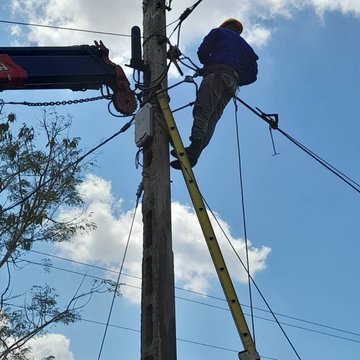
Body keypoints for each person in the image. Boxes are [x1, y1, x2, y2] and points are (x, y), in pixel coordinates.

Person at [170, 18, 259, 169]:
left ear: (224, 26)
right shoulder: (247, 48)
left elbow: (203, 52)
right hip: (232, 84)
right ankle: (195, 153)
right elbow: (253, 75)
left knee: (203, 111)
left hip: (216, 74)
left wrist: (209, 66)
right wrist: (237, 79)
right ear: (238, 31)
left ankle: (193, 148)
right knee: (212, 118)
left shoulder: (218, 32)